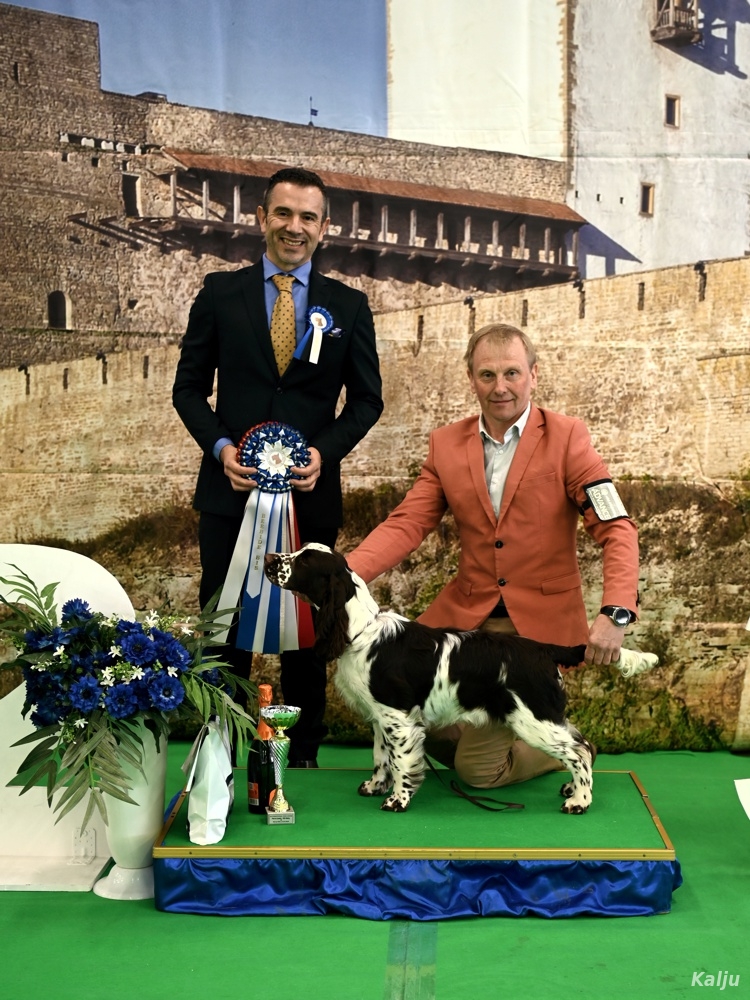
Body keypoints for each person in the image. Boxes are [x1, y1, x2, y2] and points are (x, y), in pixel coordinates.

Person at [346, 322, 639, 790]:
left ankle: (564, 744)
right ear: (471, 379)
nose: (500, 387)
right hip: (466, 619)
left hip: (533, 629)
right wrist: (343, 574)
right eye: (487, 375)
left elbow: (616, 527)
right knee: (408, 709)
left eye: (511, 373)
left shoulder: (568, 438)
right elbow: (407, 523)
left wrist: (617, 611)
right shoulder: (446, 444)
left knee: (478, 773)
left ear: (533, 375)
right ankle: (512, 728)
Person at [173, 166, 383, 766]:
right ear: (262, 217)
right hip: (228, 495)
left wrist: (324, 453)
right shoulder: (220, 294)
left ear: (324, 227)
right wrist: (222, 449)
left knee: (306, 630)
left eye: (308, 217)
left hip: (309, 497)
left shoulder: (349, 306)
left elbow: (366, 401)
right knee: (225, 627)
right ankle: (220, 748)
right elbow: (188, 389)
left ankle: (304, 752)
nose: (295, 227)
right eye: (284, 213)